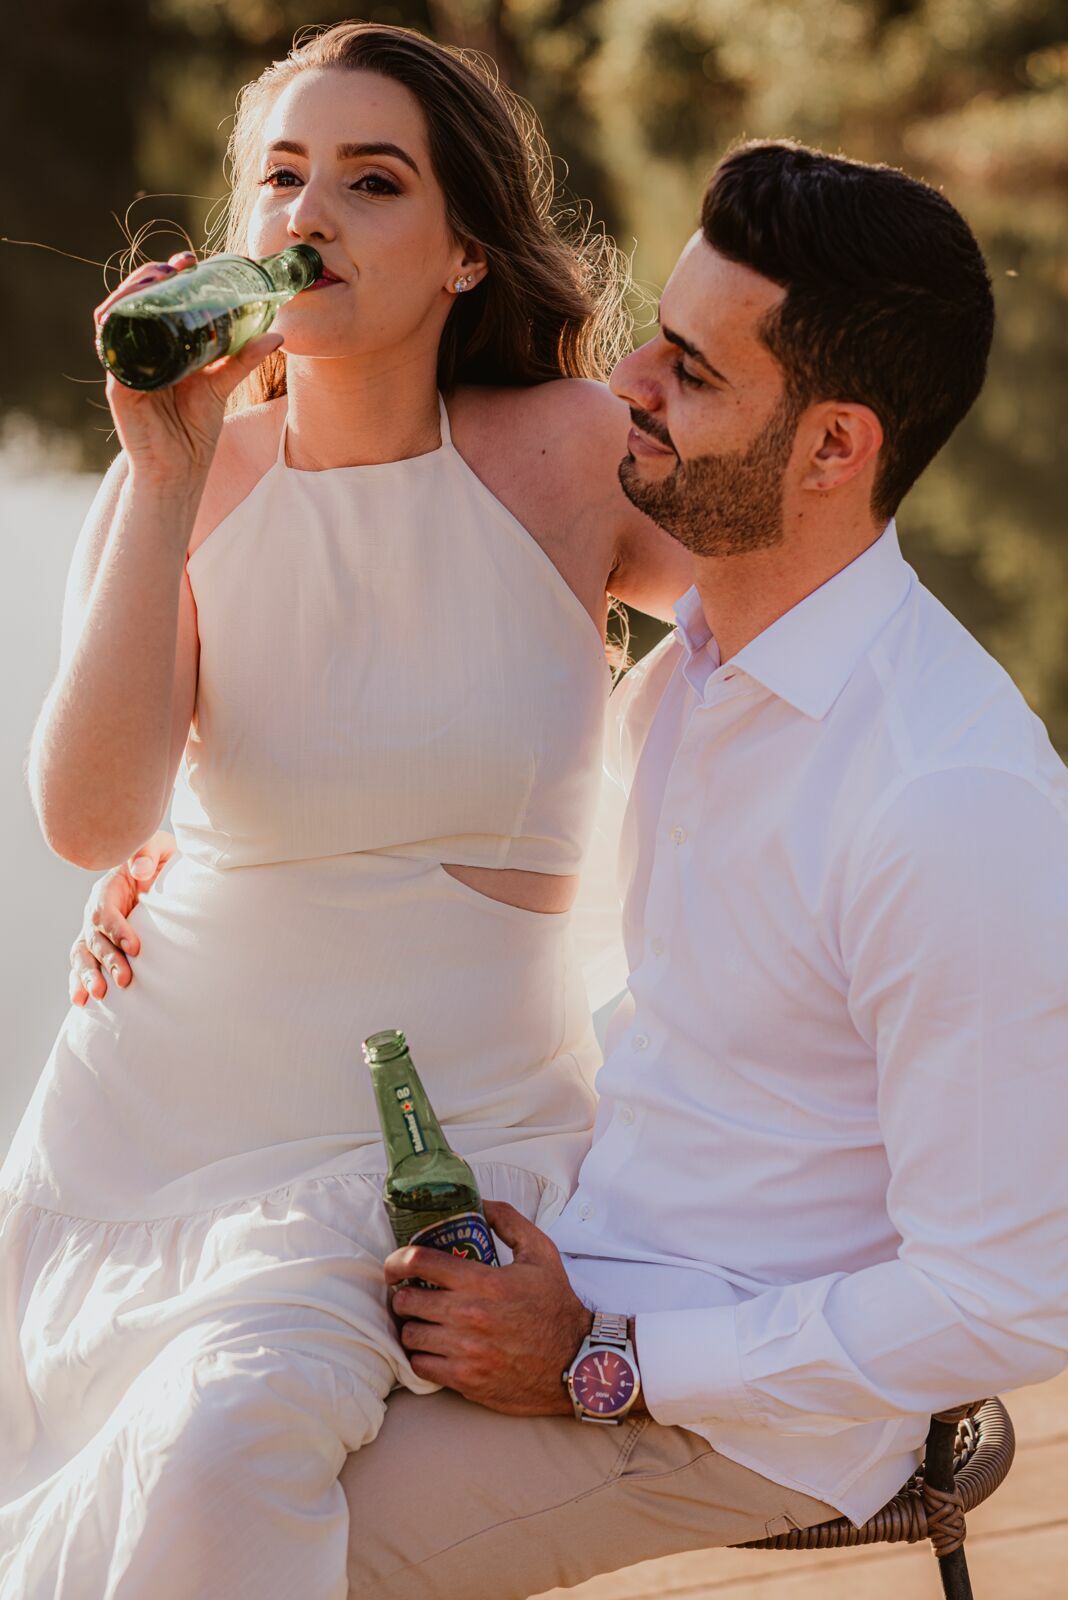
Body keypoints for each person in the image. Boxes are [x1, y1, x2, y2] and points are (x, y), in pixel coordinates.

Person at [0, 22, 693, 1600]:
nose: (311, 214)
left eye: (373, 182)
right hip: (155, 1133)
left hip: (428, 1143)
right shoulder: (180, 479)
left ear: (462, 255)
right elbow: (91, 820)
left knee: (218, 1451)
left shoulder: (569, 456)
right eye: (282, 177)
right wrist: (166, 471)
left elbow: (791, 646)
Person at [323, 140, 1063, 1596]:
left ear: (836, 448)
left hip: (741, 1397)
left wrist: (609, 1359)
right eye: (653, 338)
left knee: (240, 1544)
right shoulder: (700, 662)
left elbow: (1015, 1296)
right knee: (160, 1395)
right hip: (576, 1237)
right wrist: (184, 865)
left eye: (693, 373)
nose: (629, 391)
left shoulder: (948, 800)